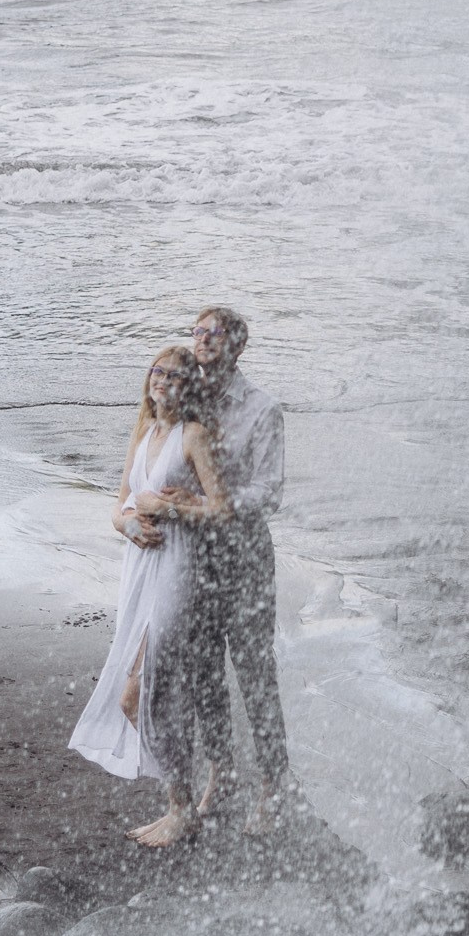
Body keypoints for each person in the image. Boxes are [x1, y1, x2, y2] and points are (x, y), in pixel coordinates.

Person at [69, 343, 232, 848]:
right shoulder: (144, 431)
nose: (163, 379)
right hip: (140, 571)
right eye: (157, 371)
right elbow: (119, 505)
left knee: (140, 694)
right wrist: (128, 525)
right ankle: (182, 803)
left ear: (190, 388)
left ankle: (183, 807)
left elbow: (224, 510)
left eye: (176, 375)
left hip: (181, 573)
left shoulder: (194, 435)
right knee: (151, 694)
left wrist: (172, 509)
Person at [185, 301, 291, 824]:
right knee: (203, 668)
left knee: (253, 669)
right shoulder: (183, 398)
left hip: (245, 554)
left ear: (238, 345)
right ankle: (221, 770)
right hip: (193, 553)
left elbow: (269, 490)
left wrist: (219, 505)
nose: (203, 339)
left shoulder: (262, 408)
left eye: (214, 332)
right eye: (197, 331)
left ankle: (274, 782)